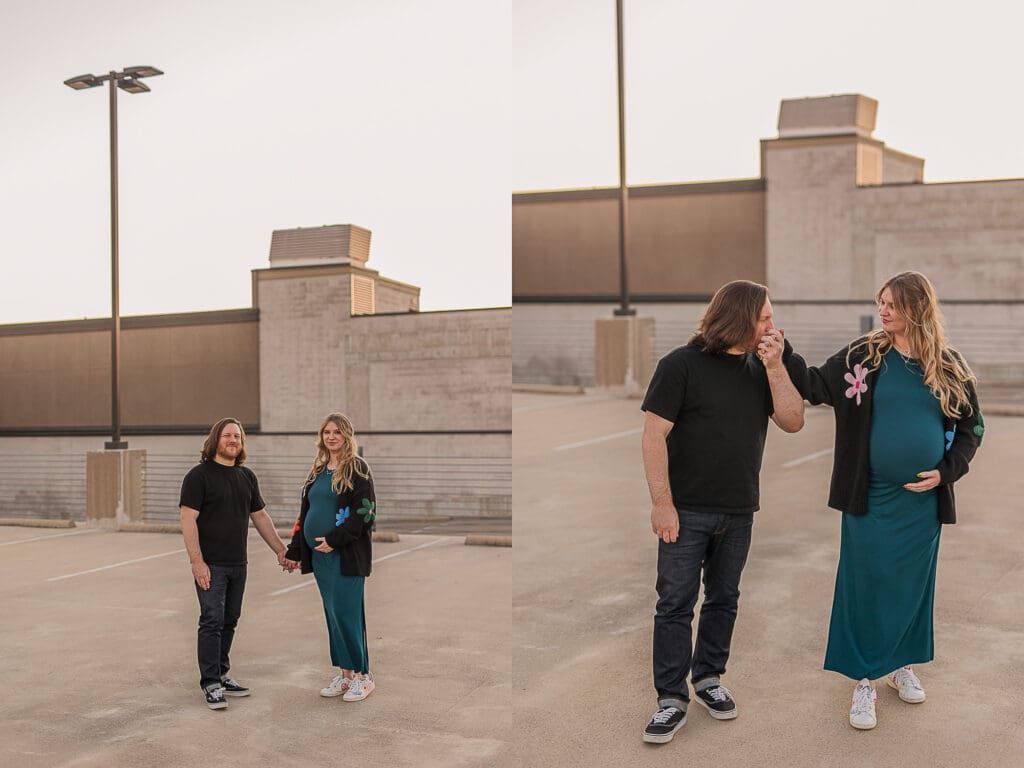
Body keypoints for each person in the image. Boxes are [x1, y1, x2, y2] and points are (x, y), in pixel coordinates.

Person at [792, 271, 984, 730]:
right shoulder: (866, 354)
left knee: (912, 587)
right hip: (870, 496)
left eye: (893, 304)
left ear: (917, 308)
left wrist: (946, 472)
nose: (884, 311)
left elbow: (973, 428)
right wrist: (782, 357)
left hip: (921, 504)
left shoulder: (949, 365)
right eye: (881, 302)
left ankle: (901, 666)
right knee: (866, 582)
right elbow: (817, 385)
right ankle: (864, 681)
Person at [640, 280, 805, 744]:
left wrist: (775, 367)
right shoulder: (680, 365)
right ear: (738, 318)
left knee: (723, 598)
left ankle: (708, 679)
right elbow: (653, 437)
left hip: (739, 511)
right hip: (685, 512)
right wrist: (662, 504)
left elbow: (793, 421)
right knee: (674, 604)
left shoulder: (765, 366)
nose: (773, 325)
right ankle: (670, 700)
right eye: (765, 318)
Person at [179, 417, 290, 710]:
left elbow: (261, 517)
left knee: (230, 619)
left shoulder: (246, 477)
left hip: (238, 564)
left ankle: (222, 673)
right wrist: (197, 562)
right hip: (211, 565)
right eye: (228, 435)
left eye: (238, 437)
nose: (233, 440)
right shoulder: (198, 476)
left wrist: (280, 550)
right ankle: (210, 683)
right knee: (212, 619)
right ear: (215, 440)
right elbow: (187, 519)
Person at [283, 412, 377, 702]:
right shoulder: (317, 471)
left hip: (346, 556)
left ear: (347, 436)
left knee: (348, 614)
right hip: (320, 558)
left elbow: (365, 514)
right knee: (333, 615)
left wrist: (334, 541)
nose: (331, 436)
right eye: (327, 432)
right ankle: (345, 675)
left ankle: (363, 677)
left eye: (337, 432)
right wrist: (296, 549)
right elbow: (305, 514)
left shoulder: (357, 469)